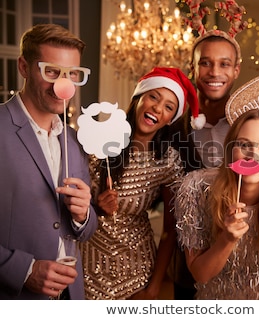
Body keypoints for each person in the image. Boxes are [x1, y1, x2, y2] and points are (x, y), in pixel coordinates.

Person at [81, 67, 201, 299]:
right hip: (88, 264)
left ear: (170, 120)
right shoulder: (99, 140)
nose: (158, 108)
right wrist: (96, 209)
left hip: (137, 271)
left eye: (169, 107)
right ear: (138, 98)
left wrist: (154, 287)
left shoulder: (167, 161)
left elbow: (169, 231)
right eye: (154, 96)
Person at [0, 23, 98, 299]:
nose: (63, 85)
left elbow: (86, 229)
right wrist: (24, 270)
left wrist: (82, 216)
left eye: (72, 74)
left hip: (69, 298)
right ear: (24, 67)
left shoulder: (73, 140)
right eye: (52, 71)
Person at [174, 109, 259, 299]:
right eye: (244, 145)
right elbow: (200, 274)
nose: (253, 155)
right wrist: (227, 239)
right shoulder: (196, 189)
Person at [168, 29, 242, 299]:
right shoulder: (173, 122)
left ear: (236, 70)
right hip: (191, 262)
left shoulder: (250, 125)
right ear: (193, 67)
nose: (214, 72)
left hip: (244, 262)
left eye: (224, 63)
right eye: (205, 62)